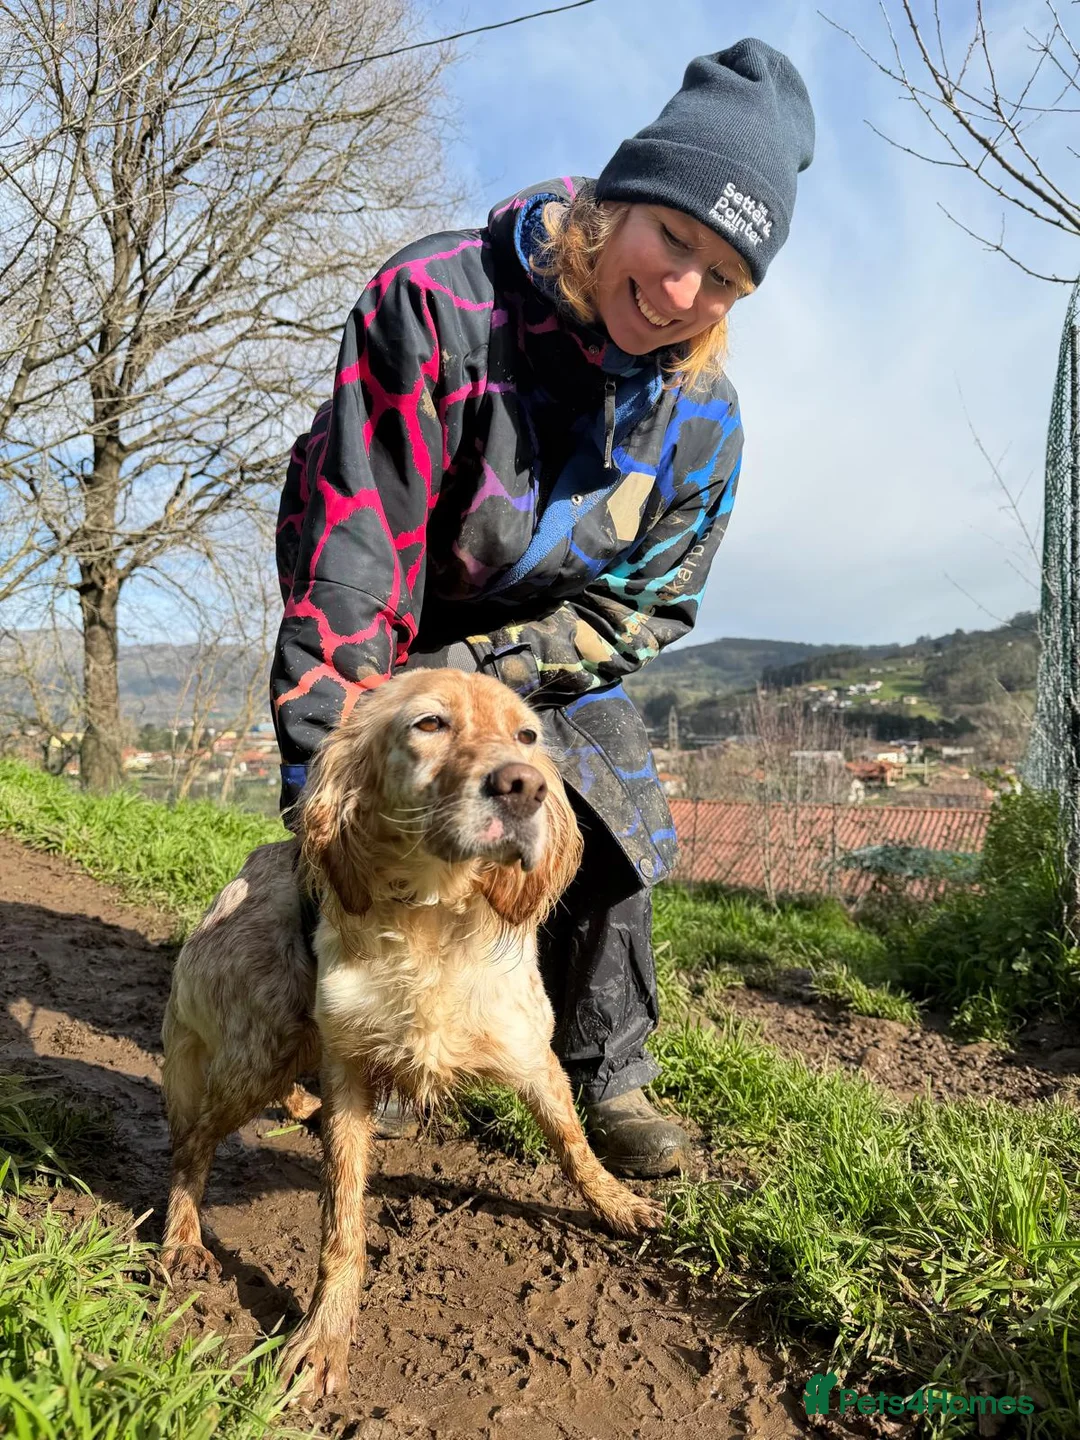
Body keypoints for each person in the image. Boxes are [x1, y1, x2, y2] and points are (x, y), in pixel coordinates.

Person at [272, 38, 814, 1178]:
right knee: (363, 817)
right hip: (395, 609)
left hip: (538, 646)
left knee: (612, 822)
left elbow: (650, 606)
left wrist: (501, 677)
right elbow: (355, 550)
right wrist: (333, 759)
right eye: (672, 237)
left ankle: (608, 1071)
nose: (681, 294)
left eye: (724, 277)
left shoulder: (702, 419)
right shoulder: (434, 304)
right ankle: (337, 1030)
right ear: (614, 204)